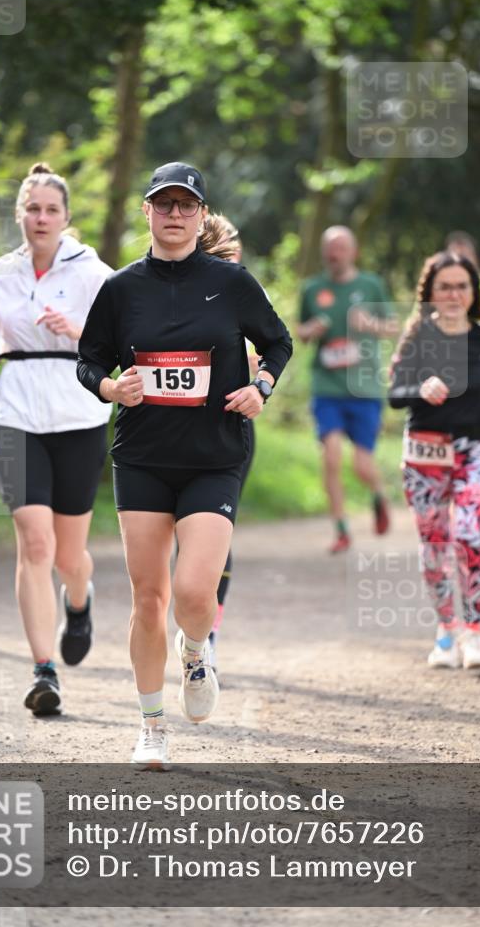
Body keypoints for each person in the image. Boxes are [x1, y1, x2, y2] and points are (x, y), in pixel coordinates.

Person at [77, 161, 292, 769]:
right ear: (147, 212)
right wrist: (109, 389)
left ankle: (195, 651)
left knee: (194, 591)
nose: (174, 214)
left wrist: (263, 386)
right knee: (148, 596)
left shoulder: (232, 282)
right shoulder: (120, 289)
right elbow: (88, 361)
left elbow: (278, 341)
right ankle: (151, 725)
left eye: (185, 205)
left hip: (215, 457)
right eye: (163, 204)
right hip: (143, 457)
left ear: (201, 216)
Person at [0, 162, 113, 715]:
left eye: (52, 209)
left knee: (70, 555)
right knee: (34, 543)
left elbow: (117, 347)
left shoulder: (93, 272)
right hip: (16, 411)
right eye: (33, 208)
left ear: (66, 217)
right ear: (20, 215)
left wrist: (77, 331)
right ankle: (43, 669)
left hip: (78, 414)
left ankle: (80, 600)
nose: (42, 218)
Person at [389, 251, 480, 670]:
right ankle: (446, 630)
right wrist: (421, 385)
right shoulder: (416, 337)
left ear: (473, 291)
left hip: (476, 449)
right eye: (444, 286)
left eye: (461, 286)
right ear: (429, 292)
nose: (453, 293)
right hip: (425, 454)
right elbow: (395, 394)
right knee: (434, 547)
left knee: (468, 534)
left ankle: (474, 630)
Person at [296, 226, 398, 553]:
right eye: (329, 247)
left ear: (353, 252)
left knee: (361, 464)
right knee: (331, 456)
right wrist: (312, 329)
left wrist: (371, 325)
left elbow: (393, 326)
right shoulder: (312, 289)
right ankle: (341, 529)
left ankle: (380, 494)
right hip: (327, 386)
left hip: (365, 386)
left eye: (340, 247)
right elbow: (300, 330)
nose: (333, 253)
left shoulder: (371, 285)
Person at [199, 213, 258, 672]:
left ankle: (208, 631)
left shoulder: (243, 293)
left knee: (216, 530)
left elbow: (265, 353)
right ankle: (189, 619)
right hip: (168, 431)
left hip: (230, 429)